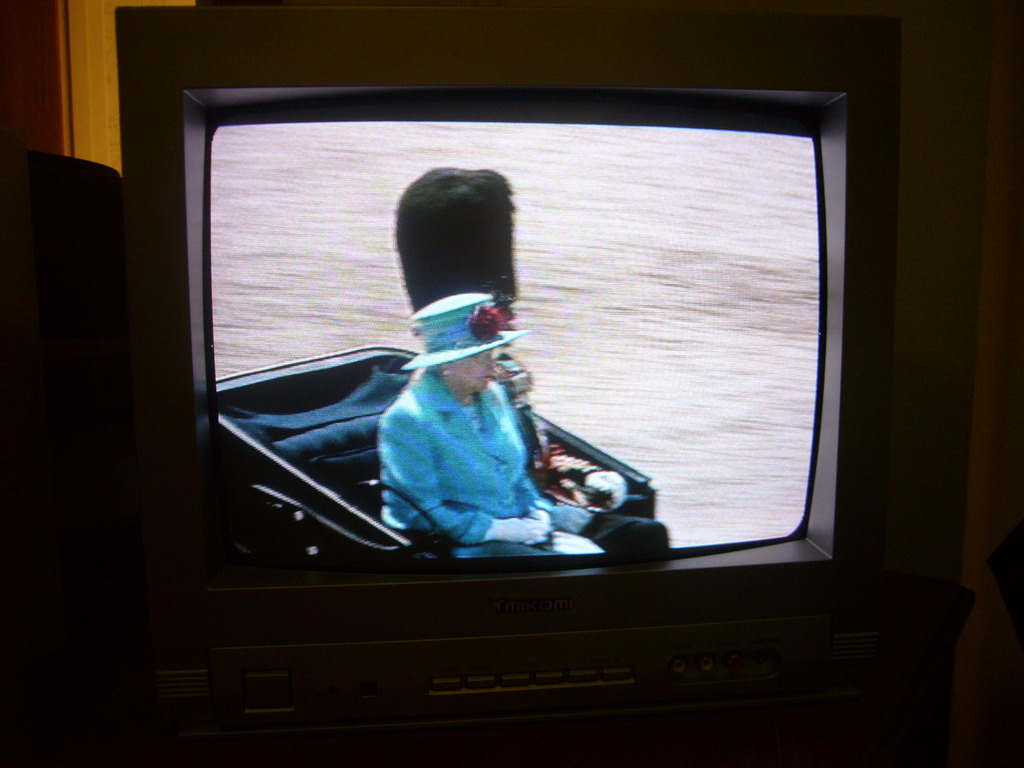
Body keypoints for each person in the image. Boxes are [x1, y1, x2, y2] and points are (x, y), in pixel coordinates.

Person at [378, 292, 669, 558]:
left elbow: (520, 473)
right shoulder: (407, 420)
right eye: (479, 357)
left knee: (646, 536)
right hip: (466, 542)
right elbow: (418, 512)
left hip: (526, 521)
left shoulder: (492, 395)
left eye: (492, 354)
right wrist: (496, 530)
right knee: (575, 567)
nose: (492, 367)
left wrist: (540, 515)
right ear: (445, 364)